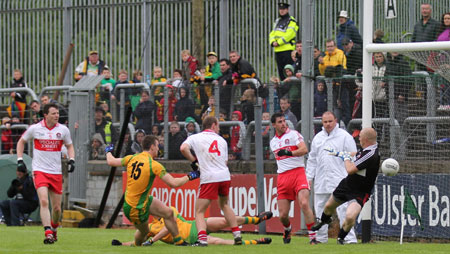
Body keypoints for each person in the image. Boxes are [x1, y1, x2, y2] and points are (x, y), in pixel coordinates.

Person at [105, 135, 198, 246]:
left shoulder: (132, 158)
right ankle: (136, 246)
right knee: (145, 232)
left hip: (141, 200)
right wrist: (190, 176)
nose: (159, 149)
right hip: (135, 207)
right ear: (152, 147)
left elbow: (111, 161)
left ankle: (179, 241)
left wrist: (108, 151)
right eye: (158, 146)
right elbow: (173, 183)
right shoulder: (153, 165)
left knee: (168, 213)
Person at [16, 103, 76, 244]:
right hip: (40, 170)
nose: (57, 116)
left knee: (57, 209)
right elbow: (21, 142)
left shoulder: (63, 130)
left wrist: (72, 160)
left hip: (56, 172)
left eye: (57, 113)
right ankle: (48, 233)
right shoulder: (35, 129)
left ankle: (54, 229)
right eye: (54, 113)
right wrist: (20, 159)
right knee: (43, 201)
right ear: (46, 115)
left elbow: (69, 146)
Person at [180, 116, 242, 246]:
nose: (219, 129)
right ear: (213, 125)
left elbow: (183, 148)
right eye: (218, 126)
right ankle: (237, 234)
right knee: (224, 205)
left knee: (199, 211)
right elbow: (225, 161)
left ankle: (202, 240)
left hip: (209, 177)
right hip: (225, 176)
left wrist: (194, 161)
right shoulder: (222, 140)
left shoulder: (195, 137)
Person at [311, 128, 380, 245]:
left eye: (360, 136)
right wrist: (340, 153)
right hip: (347, 186)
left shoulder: (371, 154)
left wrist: (346, 158)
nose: (358, 138)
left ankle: (341, 238)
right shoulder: (368, 150)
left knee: (349, 217)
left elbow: (350, 169)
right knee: (328, 207)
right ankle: (323, 221)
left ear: (366, 139)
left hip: (360, 192)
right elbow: (357, 154)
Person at [306, 111, 358, 243]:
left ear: (335, 120)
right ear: (322, 122)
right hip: (321, 180)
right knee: (320, 210)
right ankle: (320, 238)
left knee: (344, 210)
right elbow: (312, 159)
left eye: (330, 121)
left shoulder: (345, 137)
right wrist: (309, 178)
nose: (328, 124)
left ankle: (349, 239)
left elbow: (353, 157)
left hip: (340, 179)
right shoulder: (318, 138)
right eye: (325, 122)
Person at [269, 112, 318, 244]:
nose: (283, 124)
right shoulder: (273, 142)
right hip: (283, 177)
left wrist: (289, 152)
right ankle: (287, 229)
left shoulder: (293, 134)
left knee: (304, 203)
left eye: (284, 121)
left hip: (298, 173)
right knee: (283, 215)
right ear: (274, 125)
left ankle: (313, 237)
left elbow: (304, 149)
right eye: (280, 122)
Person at [112, 206, 273, 246]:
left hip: (194, 226)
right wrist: (122, 244)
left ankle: (255, 220)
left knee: (224, 221)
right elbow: (137, 243)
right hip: (191, 238)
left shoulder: (169, 212)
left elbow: (169, 227)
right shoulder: (151, 228)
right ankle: (255, 242)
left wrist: (152, 241)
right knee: (218, 241)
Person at [269, 2, 298, 80]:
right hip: (278, 51)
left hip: (287, 50)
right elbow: (272, 33)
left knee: (289, 72)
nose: (281, 11)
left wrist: (278, 42)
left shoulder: (291, 20)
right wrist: (272, 42)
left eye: (284, 9)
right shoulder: (277, 21)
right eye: (280, 9)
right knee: (281, 73)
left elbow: (290, 34)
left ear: (287, 10)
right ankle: (283, 90)